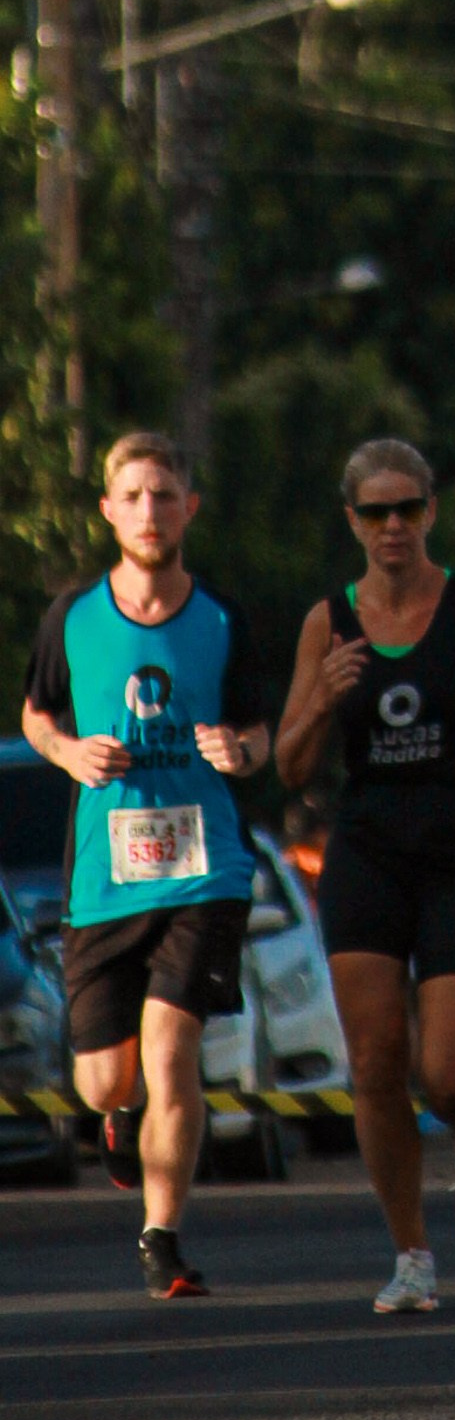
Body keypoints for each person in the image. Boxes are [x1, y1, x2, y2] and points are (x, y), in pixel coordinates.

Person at [275, 438, 455, 1313]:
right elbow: (290, 767)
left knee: (445, 1072)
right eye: (375, 512)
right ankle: (410, 1257)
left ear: (430, 513)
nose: (393, 526)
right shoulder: (329, 621)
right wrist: (322, 697)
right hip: (368, 850)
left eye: (407, 509)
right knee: (373, 1063)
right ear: (353, 522)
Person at [22, 430, 268, 1298]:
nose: (150, 511)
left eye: (165, 494)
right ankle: (118, 1120)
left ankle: (162, 1237)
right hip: (104, 878)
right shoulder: (72, 618)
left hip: (206, 873)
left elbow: (259, 730)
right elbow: (36, 715)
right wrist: (68, 754)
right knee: (106, 1080)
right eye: (133, 495)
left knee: (172, 1054)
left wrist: (239, 752)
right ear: (108, 510)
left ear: (189, 507)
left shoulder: (224, 617)